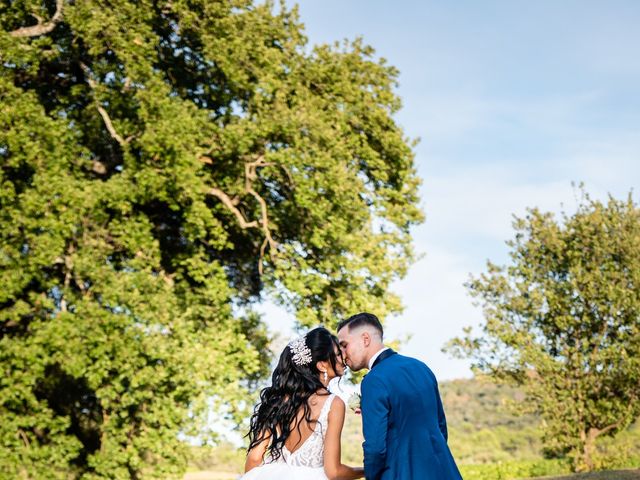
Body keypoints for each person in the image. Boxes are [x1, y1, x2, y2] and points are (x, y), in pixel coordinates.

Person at [337, 313, 463, 480]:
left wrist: (372, 476)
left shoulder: (374, 380)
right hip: (444, 471)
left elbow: (375, 448)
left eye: (344, 345)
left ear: (365, 339)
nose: (342, 354)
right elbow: (441, 427)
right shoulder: (421, 367)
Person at [242, 327, 364, 480]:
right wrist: (365, 471)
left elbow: (254, 458)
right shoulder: (333, 404)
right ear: (321, 365)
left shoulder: (278, 401)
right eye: (338, 354)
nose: (344, 357)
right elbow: (333, 472)